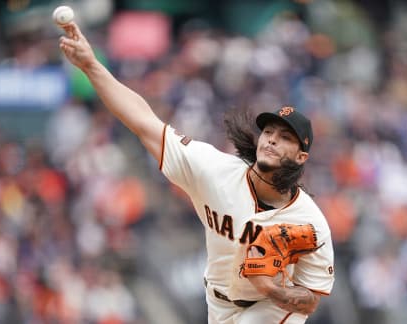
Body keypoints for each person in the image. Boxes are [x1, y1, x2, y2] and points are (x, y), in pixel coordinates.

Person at [58, 22, 334, 324]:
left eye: (286, 138)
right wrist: (92, 66)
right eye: (269, 131)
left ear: (301, 156)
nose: (272, 140)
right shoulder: (215, 171)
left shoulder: (308, 223)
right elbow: (143, 122)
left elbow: (310, 301)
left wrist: (273, 290)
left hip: (271, 309)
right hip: (217, 304)